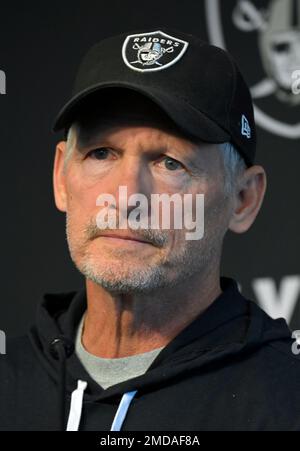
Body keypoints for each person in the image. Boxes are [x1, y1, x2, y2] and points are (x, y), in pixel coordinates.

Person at [1, 28, 299, 431]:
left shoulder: (286, 402)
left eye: (169, 162)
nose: (126, 198)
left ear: (243, 199)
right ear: (60, 177)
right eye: (101, 153)